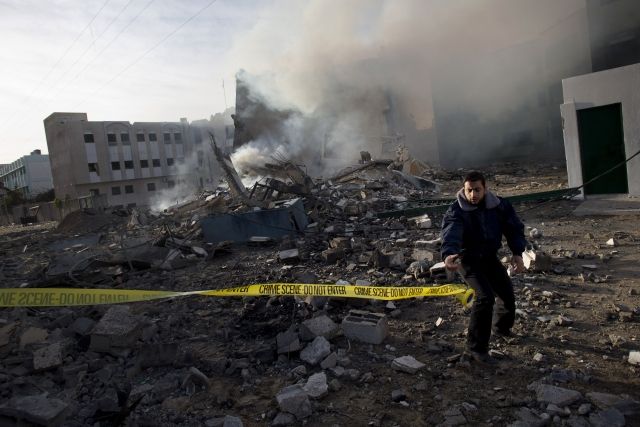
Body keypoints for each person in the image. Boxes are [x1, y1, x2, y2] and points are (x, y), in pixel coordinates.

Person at [441, 171, 526, 364]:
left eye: (477, 190)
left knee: (506, 291)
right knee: (485, 297)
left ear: (485, 188)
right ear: (464, 189)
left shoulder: (499, 206)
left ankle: (501, 328)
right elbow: (451, 232)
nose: (473, 195)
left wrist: (517, 253)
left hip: (488, 256)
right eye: (469, 190)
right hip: (466, 259)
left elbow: (513, 228)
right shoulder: (456, 210)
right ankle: (475, 349)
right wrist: (449, 254)